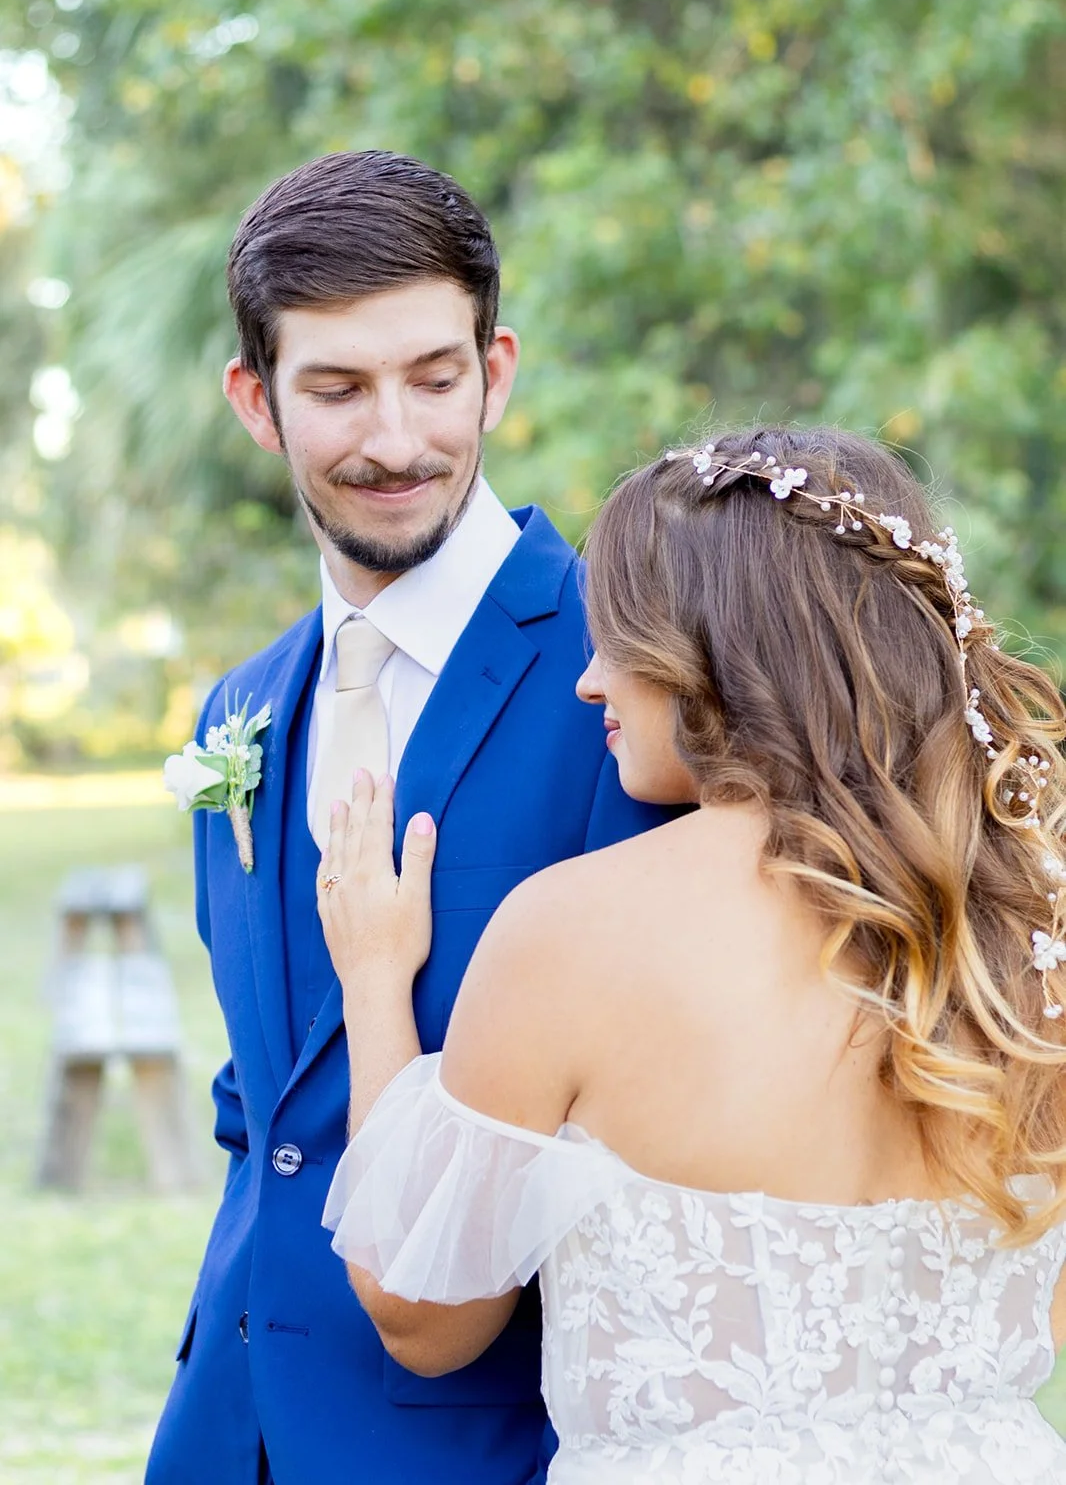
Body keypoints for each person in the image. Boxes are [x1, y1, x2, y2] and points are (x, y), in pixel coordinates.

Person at [319, 425, 1066, 1484]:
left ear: (710, 651)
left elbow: (423, 1313)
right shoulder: (1030, 927)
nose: (588, 683)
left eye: (616, 639)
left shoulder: (569, 931)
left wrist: (373, 982)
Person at [146, 150, 671, 1485]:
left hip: (495, 1442)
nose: (394, 439)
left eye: (433, 378)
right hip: (226, 1433)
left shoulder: (640, 684)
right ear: (255, 403)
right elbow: (264, 1100)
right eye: (335, 389)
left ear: (495, 370)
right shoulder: (239, 710)